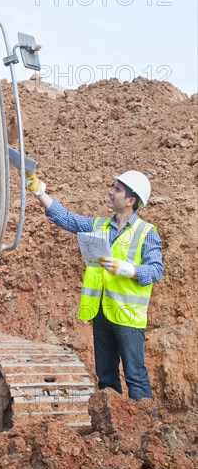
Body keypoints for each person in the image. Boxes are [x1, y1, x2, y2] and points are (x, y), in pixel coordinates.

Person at [26, 170, 163, 405]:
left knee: (135, 377)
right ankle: (112, 430)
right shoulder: (99, 225)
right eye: (113, 186)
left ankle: (146, 431)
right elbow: (67, 219)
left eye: (117, 189)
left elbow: (156, 271)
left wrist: (129, 269)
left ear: (131, 200)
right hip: (101, 313)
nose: (111, 191)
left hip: (128, 317)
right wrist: (40, 192)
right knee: (107, 378)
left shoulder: (146, 233)